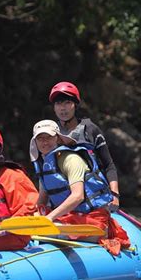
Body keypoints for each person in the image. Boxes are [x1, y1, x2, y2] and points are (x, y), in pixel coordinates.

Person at [30, 119, 130, 255]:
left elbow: (77, 196)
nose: (45, 142)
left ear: (58, 139)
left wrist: (49, 218)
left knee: (41, 231)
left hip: (92, 220)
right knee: (32, 225)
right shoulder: (44, 165)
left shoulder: (70, 159)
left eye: (49, 137)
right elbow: (42, 200)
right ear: (35, 142)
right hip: (68, 218)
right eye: (40, 138)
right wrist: (32, 217)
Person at [49, 81, 120, 210]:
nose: (62, 108)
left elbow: (109, 165)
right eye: (58, 103)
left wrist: (115, 194)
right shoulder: (50, 132)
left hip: (91, 199)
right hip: (62, 202)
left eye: (67, 103)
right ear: (54, 107)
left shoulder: (91, 129)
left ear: (75, 105)